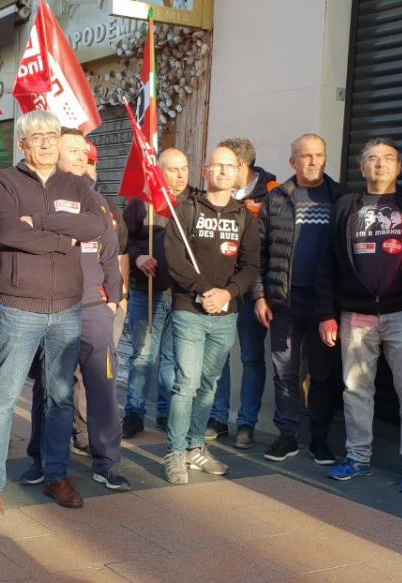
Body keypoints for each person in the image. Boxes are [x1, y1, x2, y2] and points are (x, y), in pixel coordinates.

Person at [0, 110, 106, 518]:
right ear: (22, 144)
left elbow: (95, 227)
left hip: (66, 308)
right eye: (38, 137)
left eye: (52, 135)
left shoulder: (78, 183)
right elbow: (9, 234)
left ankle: (55, 475)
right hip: (19, 307)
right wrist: (63, 238)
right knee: (1, 399)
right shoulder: (3, 183)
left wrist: (47, 222)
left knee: (59, 398)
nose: (47, 143)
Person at [317, 137, 402, 494]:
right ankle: (357, 458)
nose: (380, 165)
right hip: (355, 315)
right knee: (356, 390)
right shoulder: (345, 206)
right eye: (372, 159)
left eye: (387, 159)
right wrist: (326, 313)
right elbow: (326, 263)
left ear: (399, 167)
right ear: (362, 168)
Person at [22, 128, 130, 491]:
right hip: (52, 308)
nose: (82, 156)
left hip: (95, 308)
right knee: (49, 389)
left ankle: (107, 462)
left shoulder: (99, 201)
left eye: (84, 152)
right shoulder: (41, 195)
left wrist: (113, 298)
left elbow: (112, 253)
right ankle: (43, 460)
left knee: (102, 386)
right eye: (73, 150)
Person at [162, 145, 259, 484]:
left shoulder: (245, 216)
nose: (222, 172)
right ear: (204, 171)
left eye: (229, 166)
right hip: (190, 309)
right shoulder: (186, 209)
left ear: (238, 172)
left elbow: (250, 267)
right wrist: (205, 291)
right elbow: (175, 260)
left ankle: (195, 447)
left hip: (226, 314)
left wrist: (227, 294)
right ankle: (175, 451)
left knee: (208, 385)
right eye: (215, 166)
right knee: (186, 384)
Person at [251, 134, 347, 464]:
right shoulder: (276, 198)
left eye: (318, 155)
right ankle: (288, 436)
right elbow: (257, 253)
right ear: (293, 161)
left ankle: (319, 438)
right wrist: (260, 296)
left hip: (326, 308)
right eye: (305, 156)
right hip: (284, 304)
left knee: (323, 375)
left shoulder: (342, 198)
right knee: (285, 373)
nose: (312, 161)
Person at [120, 148, 195, 437]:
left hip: (181, 294)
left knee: (172, 358)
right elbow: (122, 240)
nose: (179, 175)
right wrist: (138, 257)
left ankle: (166, 412)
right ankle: (134, 412)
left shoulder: (193, 202)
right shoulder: (142, 202)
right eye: (172, 170)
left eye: (184, 168)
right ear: (158, 171)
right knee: (142, 356)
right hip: (146, 291)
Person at [207, 137, 276, 447]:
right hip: (219, 290)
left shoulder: (273, 194)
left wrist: (261, 291)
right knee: (218, 356)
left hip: (251, 290)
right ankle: (219, 418)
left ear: (241, 166)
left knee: (250, 357)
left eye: (227, 165)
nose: (221, 170)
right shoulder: (215, 194)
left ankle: (247, 423)